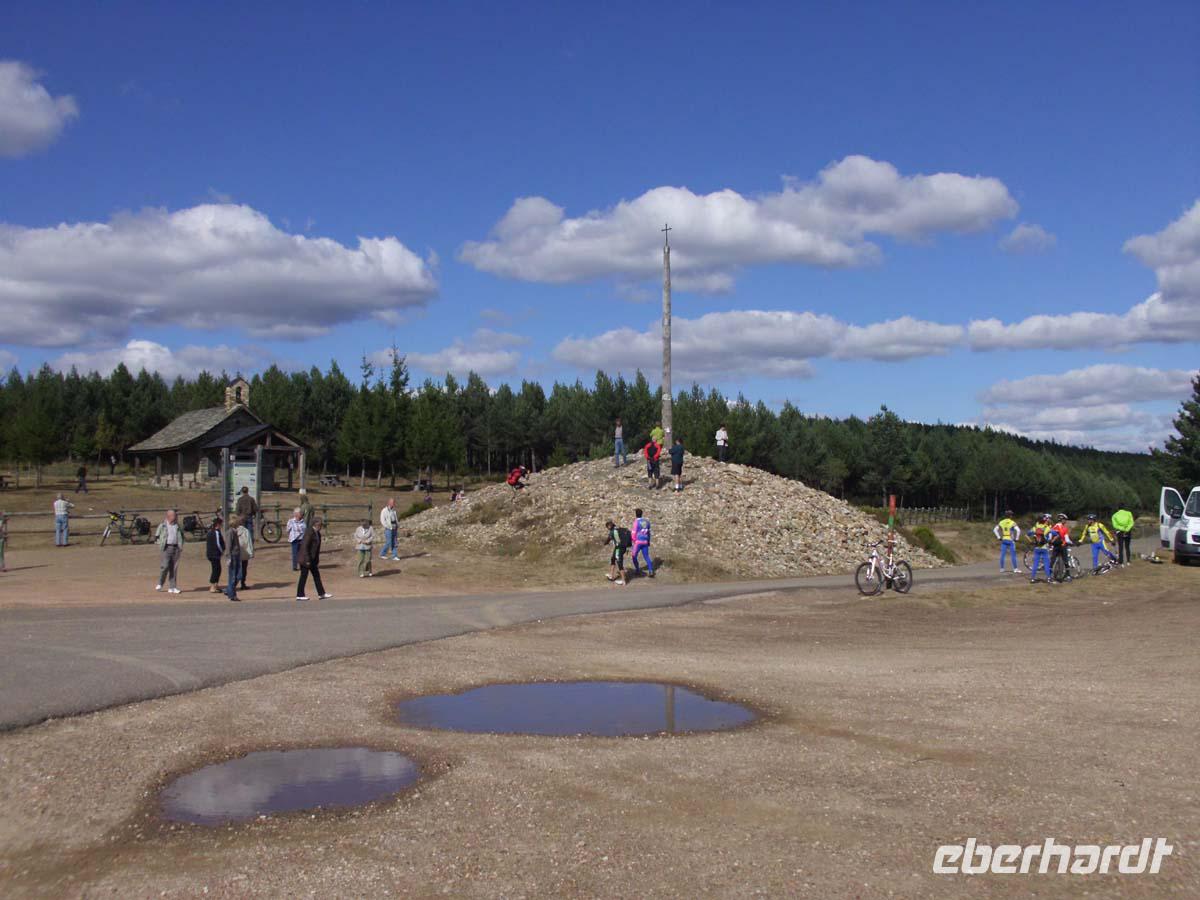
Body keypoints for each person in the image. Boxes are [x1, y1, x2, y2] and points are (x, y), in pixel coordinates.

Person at [296, 516, 332, 601]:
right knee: (303, 576)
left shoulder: (317, 533)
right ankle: (300, 595)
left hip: (312, 559)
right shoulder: (309, 532)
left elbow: (316, 548)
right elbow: (305, 546)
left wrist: (316, 560)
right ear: (315, 524)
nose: (321, 526)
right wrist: (308, 560)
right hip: (305, 559)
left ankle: (321, 594)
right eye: (320, 524)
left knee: (316, 576)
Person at [154, 509, 185, 594]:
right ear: (168, 516)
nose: (175, 517)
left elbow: (182, 536)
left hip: (176, 548)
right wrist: (160, 544)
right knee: (165, 566)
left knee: (174, 568)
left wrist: (180, 545)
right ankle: (160, 583)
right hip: (166, 548)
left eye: (175, 516)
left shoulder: (178, 526)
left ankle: (172, 587)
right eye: (174, 516)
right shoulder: (163, 525)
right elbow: (156, 536)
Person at [1027, 514, 1054, 584]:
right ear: (1044, 521)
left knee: (1035, 564)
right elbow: (1054, 533)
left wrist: (1032, 540)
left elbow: (1028, 533)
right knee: (1046, 563)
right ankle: (1048, 578)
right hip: (1044, 547)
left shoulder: (1035, 527)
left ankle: (1032, 578)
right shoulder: (1046, 527)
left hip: (1036, 548)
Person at [993, 509, 1022, 574]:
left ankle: (1002, 568)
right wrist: (1017, 538)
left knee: (1002, 555)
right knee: (1013, 555)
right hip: (1011, 540)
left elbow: (994, 530)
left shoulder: (1001, 522)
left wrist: (999, 537)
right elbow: (1018, 530)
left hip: (1004, 539)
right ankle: (1015, 569)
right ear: (1010, 516)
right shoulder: (1012, 522)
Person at [604, 519, 630, 585]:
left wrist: (605, 543)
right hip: (621, 548)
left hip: (619, 548)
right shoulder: (617, 529)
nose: (607, 528)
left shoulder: (613, 531)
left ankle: (623, 581)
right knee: (613, 559)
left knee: (619, 564)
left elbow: (608, 539)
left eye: (607, 527)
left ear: (609, 526)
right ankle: (611, 575)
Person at [631, 507, 654, 578]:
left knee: (634, 556)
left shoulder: (636, 522)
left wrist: (633, 541)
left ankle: (637, 570)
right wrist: (648, 541)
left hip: (638, 542)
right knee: (646, 556)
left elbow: (633, 533)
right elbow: (648, 532)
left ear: (636, 514)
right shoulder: (647, 521)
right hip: (645, 541)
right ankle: (651, 571)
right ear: (642, 514)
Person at [1049, 514, 1073, 582]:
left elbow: (1050, 536)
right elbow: (1067, 539)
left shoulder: (1054, 527)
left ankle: (1049, 576)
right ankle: (1068, 576)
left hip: (1055, 545)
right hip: (1062, 545)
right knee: (1065, 560)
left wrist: (1050, 542)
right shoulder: (1064, 528)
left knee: (1052, 560)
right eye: (1065, 520)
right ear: (1063, 520)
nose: (1065, 521)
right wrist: (1072, 543)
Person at [205, 515, 225, 592]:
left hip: (213, 554)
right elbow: (218, 544)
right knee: (216, 570)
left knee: (218, 569)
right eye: (221, 525)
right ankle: (212, 586)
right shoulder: (216, 532)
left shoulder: (211, 531)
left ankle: (215, 585)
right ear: (218, 525)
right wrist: (221, 551)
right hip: (214, 554)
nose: (222, 526)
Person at [225, 516, 243, 602]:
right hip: (232, 556)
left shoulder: (235, 532)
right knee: (232, 576)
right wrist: (228, 557)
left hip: (237, 555)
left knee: (239, 575)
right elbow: (228, 545)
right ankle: (232, 594)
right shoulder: (230, 532)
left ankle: (229, 590)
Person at [235, 515, 254, 590]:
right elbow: (249, 542)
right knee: (244, 569)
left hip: (236, 552)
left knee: (236, 569)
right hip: (244, 553)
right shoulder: (246, 531)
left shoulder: (234, 530)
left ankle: (234, 583)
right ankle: (242, 583)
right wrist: (251, 552)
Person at [286, 506, 306, 571]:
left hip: (301, 539)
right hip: (294, 539)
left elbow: (305, 530)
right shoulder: (291, 521)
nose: (301, 514)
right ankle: (294, 567)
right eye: (300, 513)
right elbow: (288, 529)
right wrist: (290, 536)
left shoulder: (303, 522)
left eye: (301, 513)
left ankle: (302, 566)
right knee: (295, 554)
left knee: (301, 553)